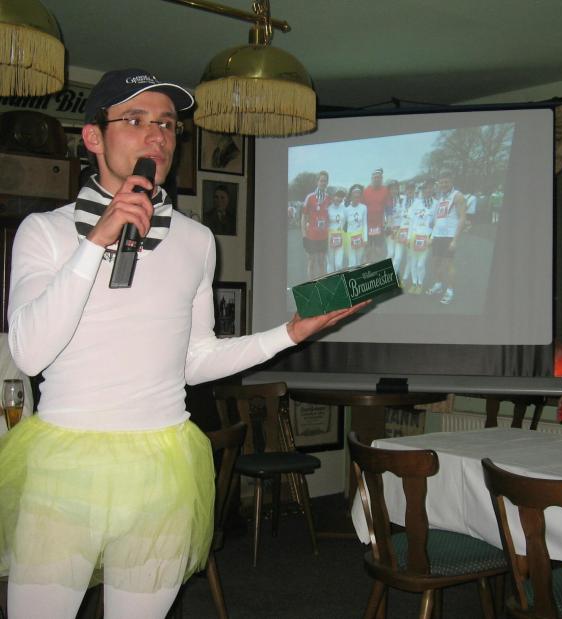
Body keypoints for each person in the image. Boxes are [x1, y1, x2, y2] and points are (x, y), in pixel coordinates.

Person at [0, 68, 365, 619]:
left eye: (168, 124)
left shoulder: (196, 240)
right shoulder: (45, 232)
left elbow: (195, 360)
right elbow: (29, 353)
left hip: (162, 466)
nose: (157, 136)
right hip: (65, 465)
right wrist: (95, 242)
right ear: (93, 136)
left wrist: (288, 334)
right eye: (136, 120)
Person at [426, 170, 467, 305]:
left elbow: (462, 218)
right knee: (435, 262)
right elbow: (438, 219)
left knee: (448, 265)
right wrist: (431, 236)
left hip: (449, 236)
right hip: (437, 236)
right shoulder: (441, 198)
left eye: (446, 182)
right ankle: (438, 285)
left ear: (451, 181)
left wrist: (455, 240)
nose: (443, 184)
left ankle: (450, 291)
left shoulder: (457, 196)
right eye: (441, 182)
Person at [300, 171, 331, 280]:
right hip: (311, 237)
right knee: (312, 262)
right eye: (321, 180)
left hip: (323, 237)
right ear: (317, 182)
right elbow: (303, 218)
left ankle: (322, 285)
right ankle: (311, 285)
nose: (323, 183)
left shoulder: (328, 198)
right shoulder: (310, 197)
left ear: (327, 183)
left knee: (322, 262)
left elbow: (329, 218)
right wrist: (304, 236)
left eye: (325, 181)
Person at [361, 167, 390, 263]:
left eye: (379, 177)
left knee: (379, 250)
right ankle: (367, 267)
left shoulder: (385, 190)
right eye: (375, 177)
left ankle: (378, 267)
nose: (377, 179)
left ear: (381, 179)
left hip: (379, 226)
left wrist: (388, 223)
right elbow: (361, 209)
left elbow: (389, 209)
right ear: (372, 178)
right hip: (367, 226)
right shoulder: (366, 191)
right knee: (368, 250)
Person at [344, 184, 367, 268]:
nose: (356, 198)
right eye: (354, 196)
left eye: (358, 196)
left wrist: (365, 238)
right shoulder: (346, 210)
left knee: (358, 261)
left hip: (360, 237)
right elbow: (342, 224)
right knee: (352, 262)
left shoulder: (363, 207)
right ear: (351, 196)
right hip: (350, 237)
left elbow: (365, 224)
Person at [326, 188, 347, 273]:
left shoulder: (344, 208)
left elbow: (345, 221)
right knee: (330, 263)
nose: (339, 198)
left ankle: (339, 278)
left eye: (341, 197)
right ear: (333, 196)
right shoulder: (328, 208)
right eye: (337, 196)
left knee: (338, 264)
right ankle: (330, 279)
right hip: (329, 237)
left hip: (340, 237)